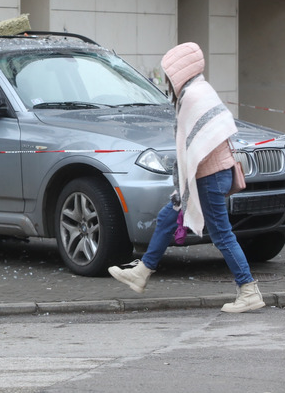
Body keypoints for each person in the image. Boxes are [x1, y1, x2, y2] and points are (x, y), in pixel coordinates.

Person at [108, 42, 265, 313]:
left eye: (168, 73)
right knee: (169, 217)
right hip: (217, 173)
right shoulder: (203, 90)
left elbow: (190, 147)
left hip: (209, 177)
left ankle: (248, 290)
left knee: (222, 235)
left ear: (179, 72)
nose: (166, 79)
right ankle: (142, 272)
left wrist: (184, 186)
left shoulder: (191, 97)